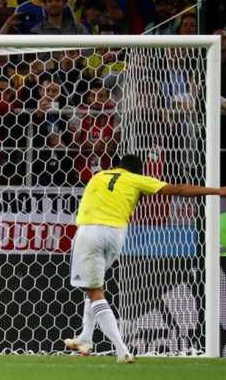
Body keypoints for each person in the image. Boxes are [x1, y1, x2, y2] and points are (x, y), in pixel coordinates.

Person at [63, 154, 226, 363]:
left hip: (90, 231)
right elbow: (178, 190)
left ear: (119, 166)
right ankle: (85, 338)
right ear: (138, 171)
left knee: (95, 291)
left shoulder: (99, 176)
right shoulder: (137, 179)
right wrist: (217, 191)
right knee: (94, 287)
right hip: (116, 235)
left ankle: (122, 350)